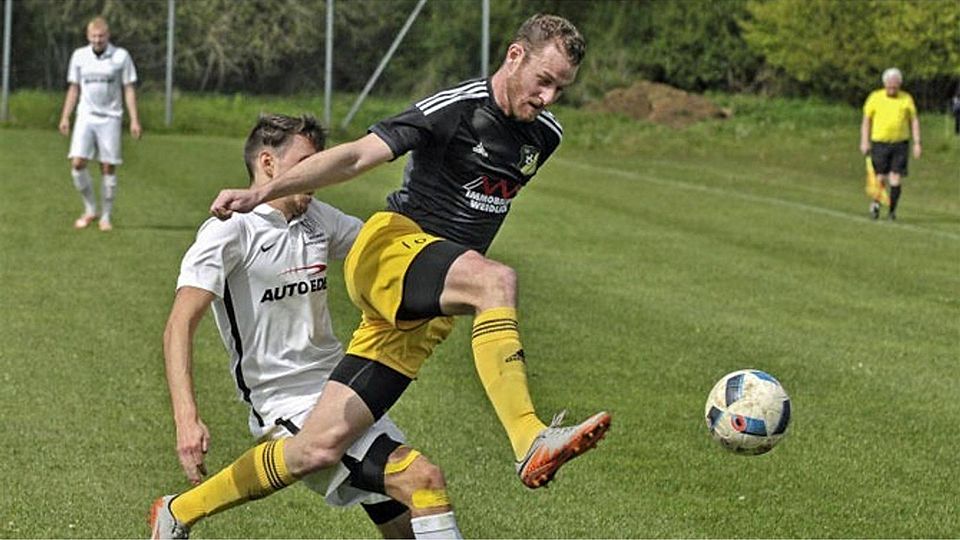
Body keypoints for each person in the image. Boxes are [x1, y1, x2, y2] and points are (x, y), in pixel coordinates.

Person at [154, 13, 611, 536]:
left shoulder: (543, 138)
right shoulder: (455, 110)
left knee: (326, 452)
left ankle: (178, 512)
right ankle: (530, 437)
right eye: (544, 80)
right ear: (514, 56)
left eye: (561, 88)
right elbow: (354, 157)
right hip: (393, 252)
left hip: (425, 304)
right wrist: (261, 194)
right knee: (495, 282)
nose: (550, 97)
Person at [150, 114, 463, 539]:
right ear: (267, 163)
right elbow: (179, 325)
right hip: (286, 403)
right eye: (305, 162)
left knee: (407, 523)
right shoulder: (229, 232)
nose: (316, 174)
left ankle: (177, 512)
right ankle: (180, 510)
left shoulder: (316, 218)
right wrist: (187, 419)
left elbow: (385, 251)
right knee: (421, 479)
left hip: (345, 391)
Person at [58, 16, 142, 232]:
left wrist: (134, 119)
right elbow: (74, 88)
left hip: (111, 117)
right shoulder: (79, 56)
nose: (97, 40)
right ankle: (89, 210)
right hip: (85, 115)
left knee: (108, 166)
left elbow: (128, 89)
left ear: (107, 36)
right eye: (94, 36)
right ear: (88, 36)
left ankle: (105, 216)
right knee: (77, 163)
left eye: (101, 36)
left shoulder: (121, 57)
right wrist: (65, 116)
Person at [859, 67, 921, 221]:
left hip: (900, 143)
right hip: (880, 142)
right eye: (889, 86)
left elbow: (914, 120)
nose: (892, 89)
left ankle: (892, 211)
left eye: (895, 86)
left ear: (899, 85)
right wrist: (864, 140)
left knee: (896, 178)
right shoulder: (875, 98)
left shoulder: (906, 99)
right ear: (884, 84)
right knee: (880, 177)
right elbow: (867, 121)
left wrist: (917, 143)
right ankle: (876, 204)